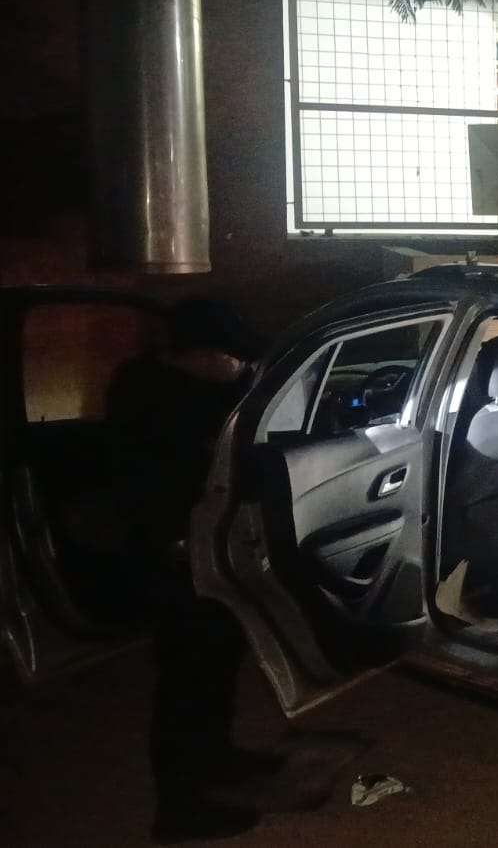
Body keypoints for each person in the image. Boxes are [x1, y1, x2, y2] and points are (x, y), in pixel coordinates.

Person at [107, 298, 274, 844]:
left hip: (203, 554)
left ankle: (217, 758)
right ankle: (180, 810)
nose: (238, 366)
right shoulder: (155, 401)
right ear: (197, 353)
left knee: (216, 667)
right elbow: (167, 479)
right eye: (230, 357)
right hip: (175, 560)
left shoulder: (179, 389)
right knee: (186, 683)